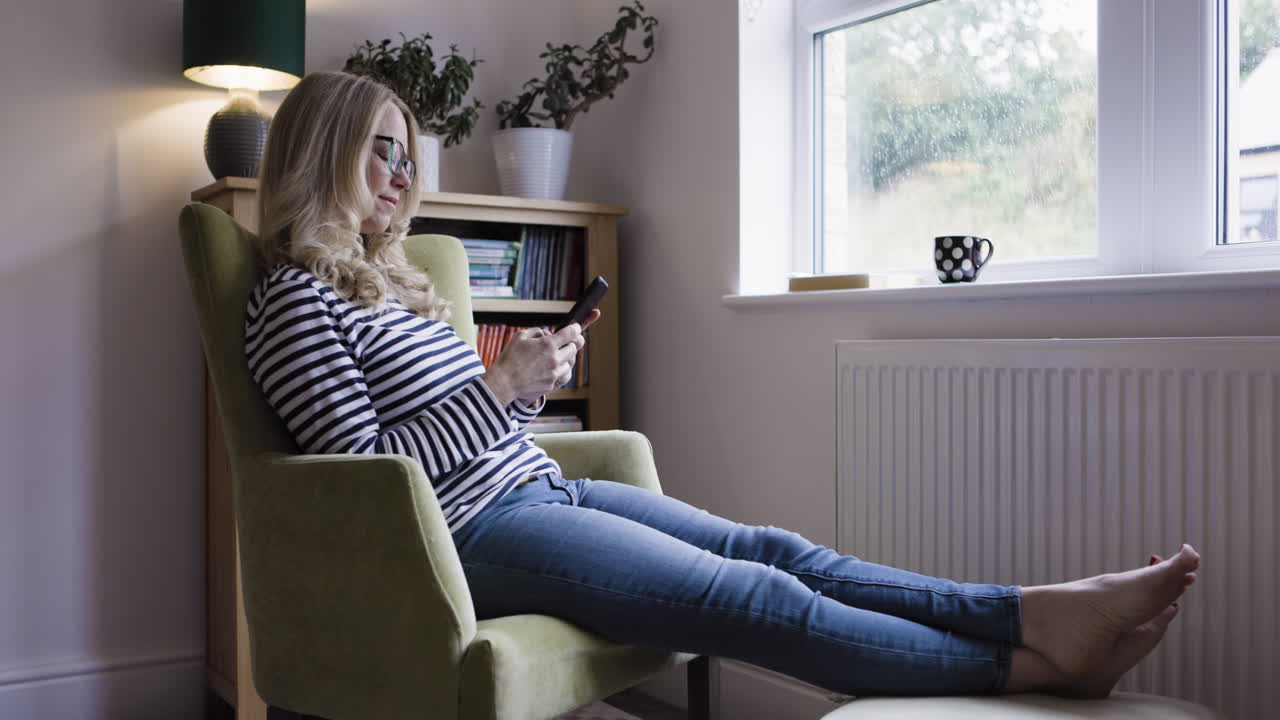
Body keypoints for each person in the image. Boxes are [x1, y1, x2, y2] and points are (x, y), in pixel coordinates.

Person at [244, 71, 1200, 700]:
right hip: (470, 534)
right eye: (383, 147)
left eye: (409, 154)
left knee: (773, 547)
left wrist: (532, 384)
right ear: (322, 145)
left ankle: (1024, 610)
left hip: (534, 486)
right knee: (751, 596)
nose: (404, 173)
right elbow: (366, 480)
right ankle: (1026, 667)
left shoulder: (396, 285)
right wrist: (499, 388)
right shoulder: (292, 299)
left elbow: (468, 421)